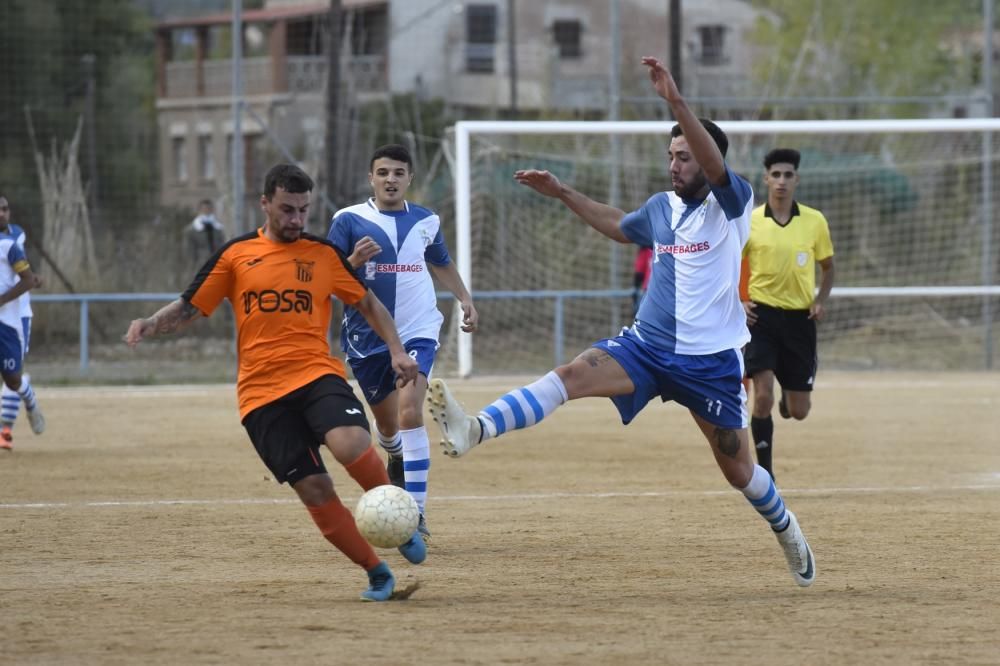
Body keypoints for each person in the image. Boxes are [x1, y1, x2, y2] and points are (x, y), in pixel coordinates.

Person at [427, 56, 816, 588]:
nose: (674, 164)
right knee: (569, 375)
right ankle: (475, 428)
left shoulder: (733, 203)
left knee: (738, 469)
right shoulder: (661, 208)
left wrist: (675, 102)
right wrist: (564, 193)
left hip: (709, 364)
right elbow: (618, 224)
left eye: (684, 156)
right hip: (645, 348)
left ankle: (786, 526)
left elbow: (713, 161)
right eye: (670, 155)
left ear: (708, 160)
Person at [125, 164, 424, 602]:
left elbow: (368, 303)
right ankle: (376, 572)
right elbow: (190, 306)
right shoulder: (235, 255)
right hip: (261, 396)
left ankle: (399, 523)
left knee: (350, 444)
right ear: (265, 203)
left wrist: (398, 350)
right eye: (287, 209)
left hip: (316, 374)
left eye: (303, 211)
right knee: (315, 488)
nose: (296, 220)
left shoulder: (322, 255)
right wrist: (151, 322)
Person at [328, 143, 478, 540]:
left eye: (398, 172)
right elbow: (328, 278)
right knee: (388, 426)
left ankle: (416, 515)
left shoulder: (427, 220)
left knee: (412, 411)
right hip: (366, 338)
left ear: (410, 178)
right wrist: (353, 264)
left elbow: (441, 262)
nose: (390, 180)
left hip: (418, 331)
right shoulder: (347, 220)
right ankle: (395, 454)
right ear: (371, 178)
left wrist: (465, 298)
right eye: (383, 173)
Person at [742, 148, 835, 482]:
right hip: (762, 318)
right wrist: (739, 302)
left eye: (788, 175)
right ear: (766, 178)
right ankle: (765, 473)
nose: (782, 181)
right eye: (776, 174)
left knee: (800, 412)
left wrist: (820, 299)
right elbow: (727, 265)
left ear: (797, 179)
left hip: (800, 321)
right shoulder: (750, 221)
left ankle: (789, 400)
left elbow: (828, 268)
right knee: (761, 395)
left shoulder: (814, 221)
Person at [0, 193, 45, 451]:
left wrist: (33, 280)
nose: (2, 213)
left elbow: (23, 274)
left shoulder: (14, 237)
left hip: (17, 315)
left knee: (12, 377)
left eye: (5, 209)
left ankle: (15, 418)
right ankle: (4, 431)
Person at [187, 198, 226, 265]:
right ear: (199, 210)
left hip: (216, 261)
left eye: (208, 208)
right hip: (200, 263)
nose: (206, 210)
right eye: (204, 208)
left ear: (212, 210)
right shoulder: (192, 229)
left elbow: (222, 244)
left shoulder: (218, 227)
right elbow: (190, 250)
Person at [631, 245, 653, 316]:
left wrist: (635, 289)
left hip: (649, 290)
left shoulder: (646, 246)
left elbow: (639, 272)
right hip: (666, 290)